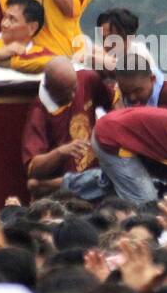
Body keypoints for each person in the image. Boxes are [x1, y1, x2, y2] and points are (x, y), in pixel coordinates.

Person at [21, 57, 118, 197]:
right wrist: (61, 152)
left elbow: (115, 102)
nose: (72, 96)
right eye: (65, 92)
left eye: (74, 89)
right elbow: (33, 169)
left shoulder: (86, 79)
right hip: (65, 196)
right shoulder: (39, 113)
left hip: (98, 180)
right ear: (49, 89)